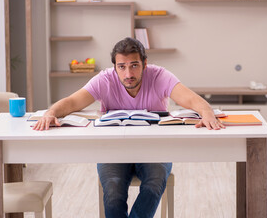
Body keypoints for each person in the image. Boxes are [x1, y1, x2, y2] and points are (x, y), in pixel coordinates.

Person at [33, 37, 224, 218]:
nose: (128, 74)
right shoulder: (105, 79)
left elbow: (190, 98)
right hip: (114, 149)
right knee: (114, 193)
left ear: (145, 63)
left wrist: (206, 112)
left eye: (134, 65)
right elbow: (73, 101)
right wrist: (50, 113)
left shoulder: (160, 75)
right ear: (114, 67)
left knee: (154, 184)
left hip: (154, 148)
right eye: (121, 67)